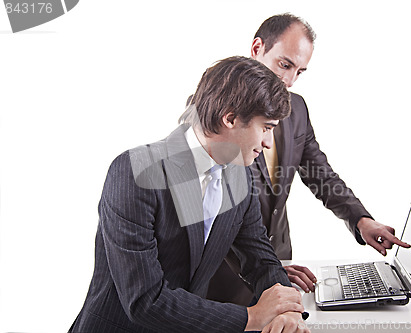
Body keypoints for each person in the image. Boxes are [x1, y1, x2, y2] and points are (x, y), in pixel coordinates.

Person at [69, 56, 309, 333]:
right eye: (266, 127)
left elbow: (260, 258)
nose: (268, 143)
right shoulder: (135, 172)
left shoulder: (239, 175)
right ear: (230, 118)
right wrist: (252, 317)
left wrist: (285, 310)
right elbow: (145, 300)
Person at [207, 14, 411, 306]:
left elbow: (320, 174)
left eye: (299, 71)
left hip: (279, 260)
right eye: (285, 64)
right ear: (257, 49)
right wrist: (263, 271)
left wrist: (361, 220)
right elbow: (213, 207)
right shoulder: (214, 105)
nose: (289, 80)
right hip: (226, 279)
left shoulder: (297, 108)